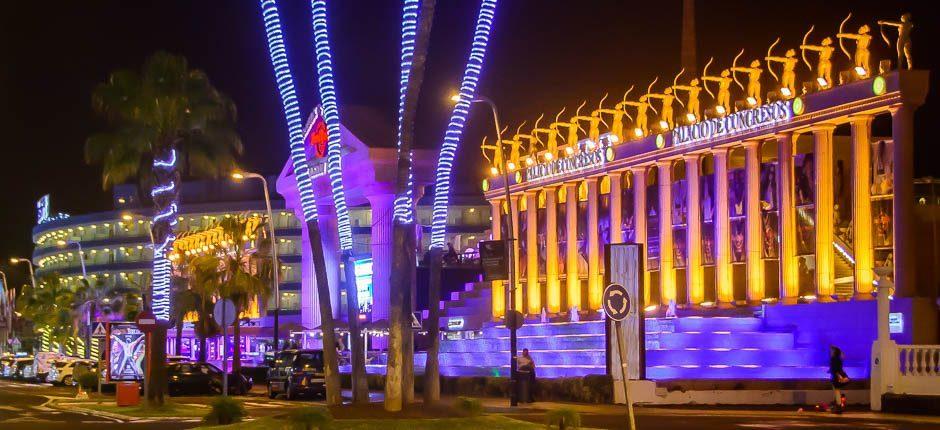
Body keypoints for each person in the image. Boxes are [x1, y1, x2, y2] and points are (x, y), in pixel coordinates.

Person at [828, 345, 849, 413]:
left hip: (836, 376)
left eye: (832, 351)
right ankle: (838, 403)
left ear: (834, 352)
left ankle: (838, 405)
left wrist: (838, 376)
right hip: (838, 375)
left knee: (836, 390)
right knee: (837, 390)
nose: (830, 352)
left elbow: (835, 368)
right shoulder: (838, 358)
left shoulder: (834, 358)